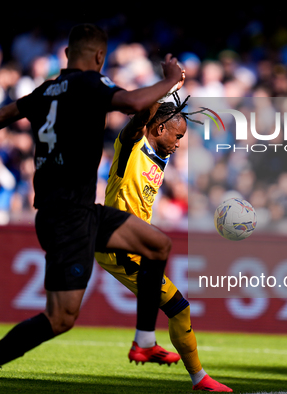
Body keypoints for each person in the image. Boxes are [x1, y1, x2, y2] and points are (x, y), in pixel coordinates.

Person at [0, 24, 184, 394]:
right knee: (60, 319)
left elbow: (6, 112)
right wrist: (168, 80)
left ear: (68, 54)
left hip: (80, 211)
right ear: (100, 57)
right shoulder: (91, 85)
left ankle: (144, 341)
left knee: (157, 246)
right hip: (67, 218)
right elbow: (134, 104)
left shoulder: (47, 91)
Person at [95, 92, 232, 392]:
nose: (179, 142)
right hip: (118, 245)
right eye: (178, 135)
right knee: (179, 307)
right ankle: (194, 376)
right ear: (158, 129)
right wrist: (166, 85)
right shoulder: (131, 146)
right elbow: (140, 120)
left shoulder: (162, 155)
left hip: (136, 243)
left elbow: (156, 123)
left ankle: (149, 342)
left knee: (179, 308)